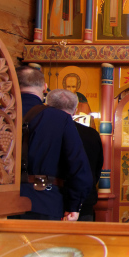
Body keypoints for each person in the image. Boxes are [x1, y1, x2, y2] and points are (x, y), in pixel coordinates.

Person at [14, 66, 92, 222]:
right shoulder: (59, 118)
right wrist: (73, 206)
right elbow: (78, 166)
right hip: (44, 202)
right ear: (44, 88)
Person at [45, 89, 103, 222]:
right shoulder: (91, 134)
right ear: (75, 111)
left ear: (47, 107)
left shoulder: (43, 132)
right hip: (83, 201)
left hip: (50, 200)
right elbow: (96, 169)